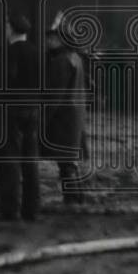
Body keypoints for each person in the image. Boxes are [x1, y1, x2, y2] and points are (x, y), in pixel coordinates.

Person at [0, 12, 41, 221]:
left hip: (9, 111)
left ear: (11, 29)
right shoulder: (38, 53)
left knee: (8, 159)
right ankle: (32, 209)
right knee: (30, 160)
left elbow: (5, 80)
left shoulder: (8, 53)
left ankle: (10, 209)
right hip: (32, 110)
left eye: (6, 27)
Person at [43, 13, 89, 205]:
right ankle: (77, 195)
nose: (48, 40)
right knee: (70, 159)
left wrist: (43, 118)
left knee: (65, 161)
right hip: (75, 114)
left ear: (62, 39)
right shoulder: (75, 57)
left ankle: (71, 199)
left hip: (64, 117)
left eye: (53, 37)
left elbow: (55, 94)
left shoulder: (61, 61)